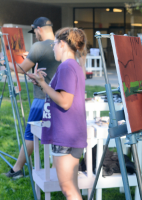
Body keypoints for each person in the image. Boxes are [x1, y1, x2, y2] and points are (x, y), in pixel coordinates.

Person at [28, 27, 87, 200]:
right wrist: (41, 83)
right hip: (71, 134)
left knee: (68, 189)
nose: (53, 48)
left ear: (61, 44)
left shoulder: (66, 67)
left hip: (65, 135)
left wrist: (44, 84)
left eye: (54, 44)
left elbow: (65, 101)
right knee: (71, 188)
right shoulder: (73, 65)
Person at [3, 17, 60, 179]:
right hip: (58, 98)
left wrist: (5, 62)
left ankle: (17, 170)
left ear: (39, 29)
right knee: (54, 135)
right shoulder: (61, 45)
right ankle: (55, 171)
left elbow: (21, 68)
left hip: (42, 99)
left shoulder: (39, 46)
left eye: (34, 31)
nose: (35, 35)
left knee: (31, 134)